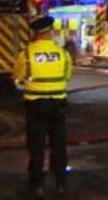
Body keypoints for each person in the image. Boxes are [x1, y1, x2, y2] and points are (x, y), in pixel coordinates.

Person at [13, 17, 72, 197]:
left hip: (35, 105)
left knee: (36, 146)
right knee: (59, 145)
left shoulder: (27, 54)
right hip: (58, 104)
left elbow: (17, 78)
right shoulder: (62, 53)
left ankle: (36, 186)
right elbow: (67, 76)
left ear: (35, 33)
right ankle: (61, 184)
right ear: (50, 32)